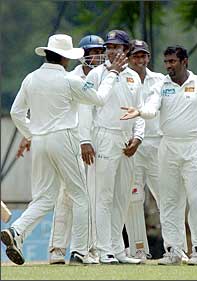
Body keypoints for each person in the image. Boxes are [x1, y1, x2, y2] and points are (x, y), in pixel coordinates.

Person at [1, 34, 126, 265]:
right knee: (81, 196)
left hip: (39, 141)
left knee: (44, 198)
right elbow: (99, 99)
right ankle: (79, 252)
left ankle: (17, 231)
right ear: (64, 58)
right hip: (64, 138)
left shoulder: (31, 78)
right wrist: (114, 74)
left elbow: (17, 113)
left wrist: (32, 133)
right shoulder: (69, 80)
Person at [120, 45, 197, 266]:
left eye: (173, 62)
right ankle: (174, 250)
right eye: (166, 62)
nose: (169, 66)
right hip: (168, 146)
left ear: (185, 61)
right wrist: (139, 112)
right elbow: (152, 107)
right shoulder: (161, 84)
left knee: (196, 199)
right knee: (168, 201)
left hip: (193, 146)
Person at [79, 30, 144, 264]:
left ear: (126, 50)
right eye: (109, 47)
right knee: (103, 197)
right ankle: (103, 249)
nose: (112, 51)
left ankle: (118, 249)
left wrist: (138, 138)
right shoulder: (96, 74)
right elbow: (85, 108)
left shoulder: (134, 77)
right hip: (103, 137)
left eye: (117, 47)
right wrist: (84, 140)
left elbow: (139, 111)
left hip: (126, 141)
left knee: (121, 197)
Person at [47, 34, 106, 265]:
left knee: (92, 197)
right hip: (73, 144)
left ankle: (89, 249)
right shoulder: (70, 78)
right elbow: (80, 114)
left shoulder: (107, 76)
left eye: (99, 51)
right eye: (92, 52)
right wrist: (83, 141)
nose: (97, 56)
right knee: (67, 197)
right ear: (82, 56)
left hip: (101, 145)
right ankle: (58, 250)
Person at [124, 39, 165, 261]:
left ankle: (174, 247)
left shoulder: (159, 80)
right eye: (136, 56)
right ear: (129, 58)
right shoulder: (123, 80)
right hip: (132, 146)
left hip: (156, 144)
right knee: (134, 198)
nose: (140, 60)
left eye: (143, 56)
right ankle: (138, 249)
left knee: (165, 196)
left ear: (148, 57)